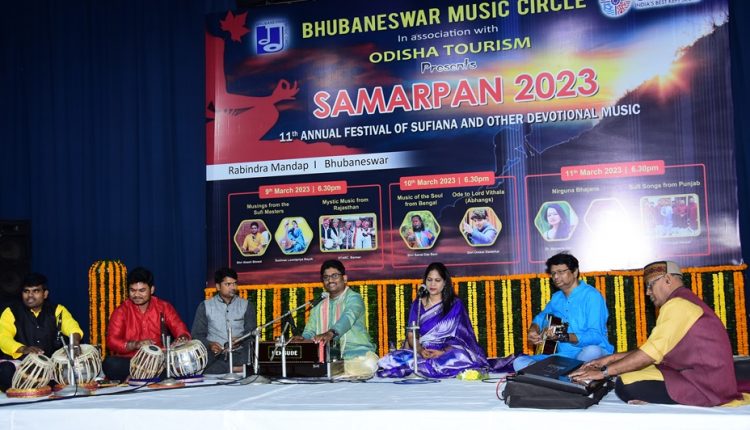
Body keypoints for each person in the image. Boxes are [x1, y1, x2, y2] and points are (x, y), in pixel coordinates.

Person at [570, 261, 745, 406]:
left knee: (625, 384)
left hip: (705, 384)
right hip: (695, 374)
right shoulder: (683, 301)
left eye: (650, 285)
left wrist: (604, 372)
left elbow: (649, 355)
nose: (648, 292)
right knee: (625, 373)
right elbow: (652, 349)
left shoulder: (678, 305)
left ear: (667, 280)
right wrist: (609, 359)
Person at [377, 262, 488, 378]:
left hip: (446, 352)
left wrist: (443, 352)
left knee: (461, 357)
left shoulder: (455, 305)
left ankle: (425, 368)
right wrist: (420, 350)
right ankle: (422, 367)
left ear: (445, 283)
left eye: (437, 280)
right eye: (429, 280)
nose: (432, 284)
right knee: (392, 359)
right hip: (421, 351)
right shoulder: (417, 304)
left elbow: (463, 338)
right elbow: (411, 335)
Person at [513, 253, 613, 371]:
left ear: (575, 272)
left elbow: (596, 336)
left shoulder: (592, 296)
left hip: (590, 353)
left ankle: (557, 373)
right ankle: (566, 373)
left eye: (561, 272)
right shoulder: (557, 298)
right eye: (553, 273)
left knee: (592, 351)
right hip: (564, 357)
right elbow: (541, 317)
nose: (556, 277)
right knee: (519, 362)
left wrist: (564, 336)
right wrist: (533, 329)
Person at [102, 267, 191, 382]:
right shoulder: (121, 311)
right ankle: (147, 375)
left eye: (142, 290)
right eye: (133, 290)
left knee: (183, 363)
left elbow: (181, 330)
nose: (137, 295)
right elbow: (112, 341)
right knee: (110, 364)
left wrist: (181, 339)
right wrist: (136, 344)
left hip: (159, 361)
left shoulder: (164, 307)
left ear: (152, 289)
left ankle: (139, 376)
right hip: (131, 362)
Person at [0, 273, 84, 392]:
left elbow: (72, 327)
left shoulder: (57, 310)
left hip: (50, 366)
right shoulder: (11, 312)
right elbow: (3, 338)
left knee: (74, 369)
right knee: (5, 370)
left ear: (45, 294)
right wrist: (23, 349)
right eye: (26, 291)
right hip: (21, 364)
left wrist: (74, 342)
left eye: (36, 291)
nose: (30, 295)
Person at [298, 260, 378, 378]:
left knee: (368, 364)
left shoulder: (354, 298)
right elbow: (310, 331)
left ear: (344, 278)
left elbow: (348, 318)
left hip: (355, 354)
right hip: (327, 358)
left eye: (334, 276)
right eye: (326, 277)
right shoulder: (319, 306)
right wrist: (301, 340)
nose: (330, 280)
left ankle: (338, 371)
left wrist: (331, 333)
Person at [191, 268, 256, 375]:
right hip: (215, 355)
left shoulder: (246, 305)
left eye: (235, 283)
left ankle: (235, 367)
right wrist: (210, 344)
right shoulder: (205, 306)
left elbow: (252, 334)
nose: (233, 287)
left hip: (239, 353)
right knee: (204, 365)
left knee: (251, 356)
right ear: (218, 286)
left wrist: (240, 340)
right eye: (228, 284)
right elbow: (197, 335)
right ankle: (236, 369)